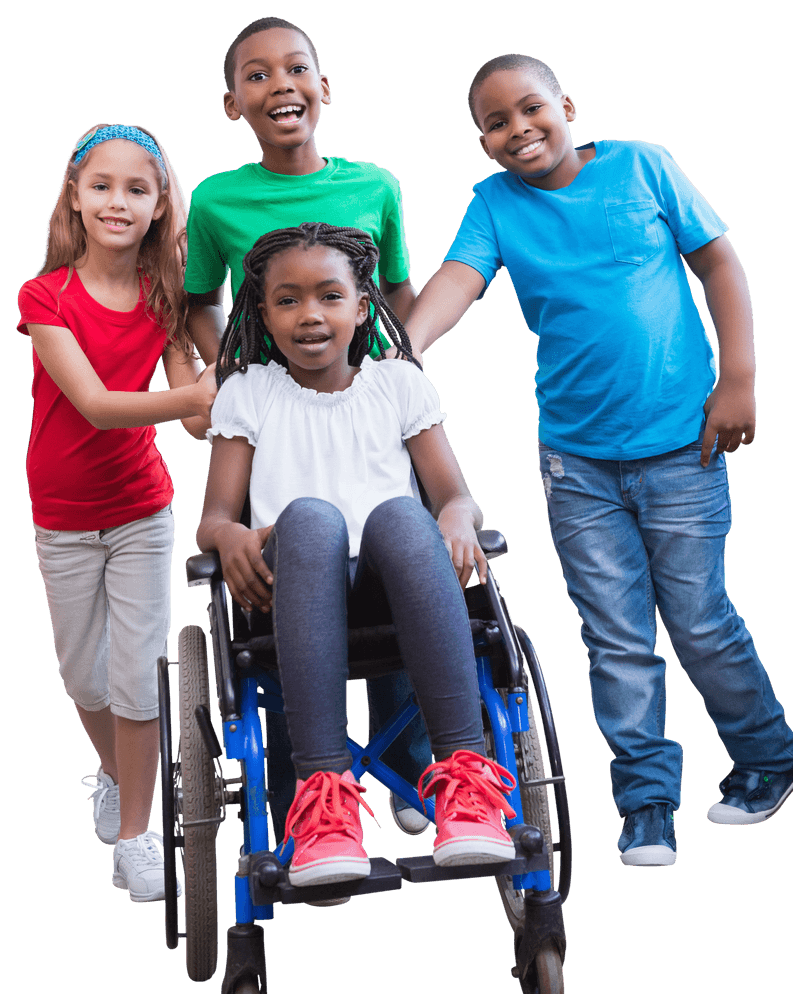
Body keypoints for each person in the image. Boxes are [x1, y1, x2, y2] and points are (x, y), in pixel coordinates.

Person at [402, 54, 793, 867]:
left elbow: (718, 262)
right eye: (496, 122)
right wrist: (407, 344)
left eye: (531, 109)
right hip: (577, 466)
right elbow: (458, 277)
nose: (518, 129)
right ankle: (647, 802)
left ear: (566, 105)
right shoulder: (495, 205)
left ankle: (769, 755)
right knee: (616, 638)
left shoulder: (643, 165)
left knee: (698, 619)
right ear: (482, 144)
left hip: (681, 446)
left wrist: (738, 377)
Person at [196, 222, 518, 886]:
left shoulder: (397, 385)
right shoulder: (247, 394)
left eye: (329, 296)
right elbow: (215, 519)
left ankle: (467, 787)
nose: (310, 314)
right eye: (287, 300)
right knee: (311, 518)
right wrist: (227, 536)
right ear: (262, 313)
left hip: (394, 587)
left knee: (403, 512)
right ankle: (321, 803)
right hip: (289, 588)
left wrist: (457, 513)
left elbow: (454, 494)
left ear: (364, 305)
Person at [185, 16, 430, 836]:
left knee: (397, 539)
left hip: (371, 398)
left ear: (324, 89)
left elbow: (397, 294)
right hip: (270, 417)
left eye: (296, 69)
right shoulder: (218, 199)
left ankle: (406, 767)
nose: (279, 84)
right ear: (233, 104)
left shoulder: (378, 185)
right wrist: (233, 383)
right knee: (295, 555)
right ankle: (301, 788)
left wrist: (407, 373)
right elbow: (197, 302)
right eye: (257, 75)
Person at [17, 123, 218, 901]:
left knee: (137, 679)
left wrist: (222, 388)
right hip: (62, 516)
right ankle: (110, 771)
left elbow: (195, 417)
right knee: (81, 673)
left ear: (161, 202)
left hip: (141, 512)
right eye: (101, 185)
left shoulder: (166, 295)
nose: (117, 201)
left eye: (138, 188)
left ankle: (137, 833)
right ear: (74, 193)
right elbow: (98, 406)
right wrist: (192, 396)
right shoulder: (46, 298)